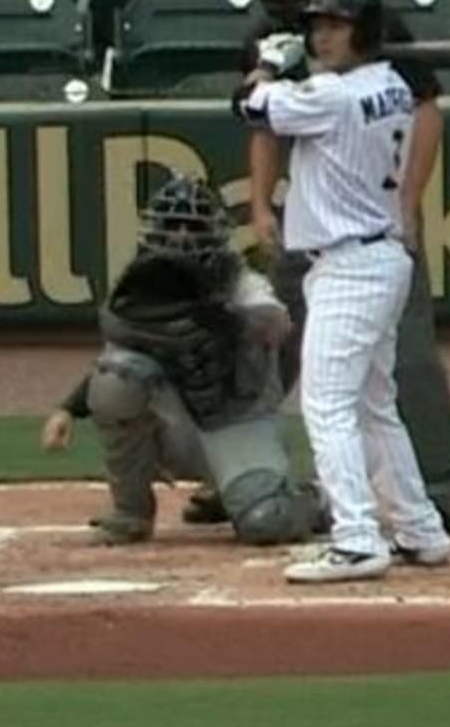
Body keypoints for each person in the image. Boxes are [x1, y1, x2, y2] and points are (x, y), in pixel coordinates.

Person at [229, 0, 450, 536]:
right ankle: (244, 476)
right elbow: (267, 129)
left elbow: (250, 108)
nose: (320, 32)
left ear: (359, 30)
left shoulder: (347, 78)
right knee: (326, 374)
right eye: (316, 23)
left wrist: (410, 207)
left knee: (347, 393)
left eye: (333, 23)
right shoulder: (373, 79)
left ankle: (394, 510)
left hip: (360, 233)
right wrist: (262, 207)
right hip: (329, 224)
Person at [41, 176, 323, 547]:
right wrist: (67, 409)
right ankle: (131, 513)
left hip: (234, 420)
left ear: (212, 231)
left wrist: (223, 317)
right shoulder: (141, 286)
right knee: (115, 380)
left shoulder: (239, 280)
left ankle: (316, 500)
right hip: (174, 428)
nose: (180, 237)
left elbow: (277, 326)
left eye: (190, 227)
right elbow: (119, 352)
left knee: (266, 522)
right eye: (172, 227)